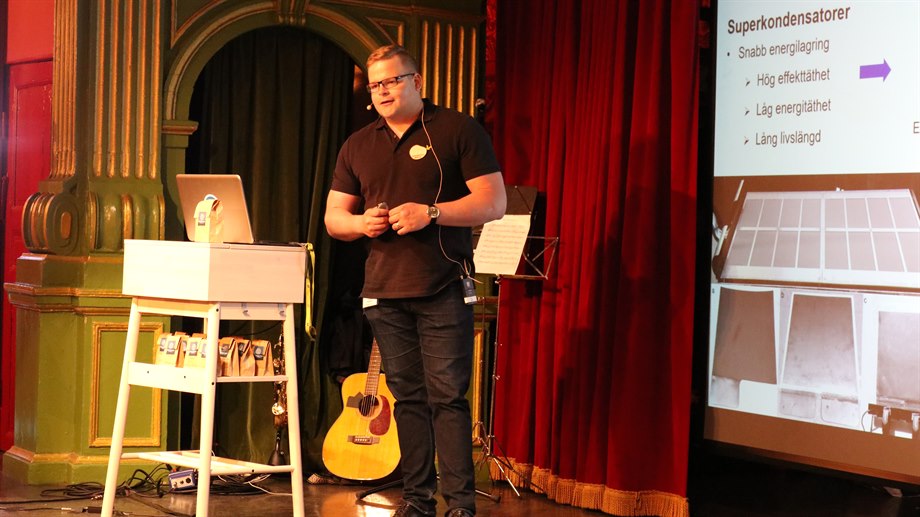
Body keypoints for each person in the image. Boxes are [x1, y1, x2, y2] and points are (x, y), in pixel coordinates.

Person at [324, 44, 506, 517]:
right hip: (383, 291)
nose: (382, 91)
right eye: (375, 84)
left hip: (443, 285)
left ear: (417, 82)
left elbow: (493, 202)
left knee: (447, 397)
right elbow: (333, 218)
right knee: (406, 399)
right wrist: (360, 223)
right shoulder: (357, 144)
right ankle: (417, 500)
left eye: (392, 81)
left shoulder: (457, 129)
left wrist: (432, 212)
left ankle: (460, 505)